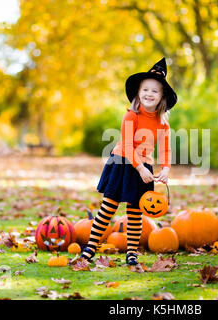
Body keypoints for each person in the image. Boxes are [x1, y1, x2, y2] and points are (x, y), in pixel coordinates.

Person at [81, 58, 177, 265]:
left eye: (155, 91)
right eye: (145, 90)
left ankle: (131, 252)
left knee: (135, 212)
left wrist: (166, 169)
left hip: (144, 168)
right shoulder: (131, 116)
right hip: (123, 163)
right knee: (108, 208)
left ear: (162, 97)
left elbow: (165, 149)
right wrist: (140, 167)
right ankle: (90, 249)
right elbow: (126, 145)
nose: (149, 94)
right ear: (138, 93)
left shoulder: (163, 125)